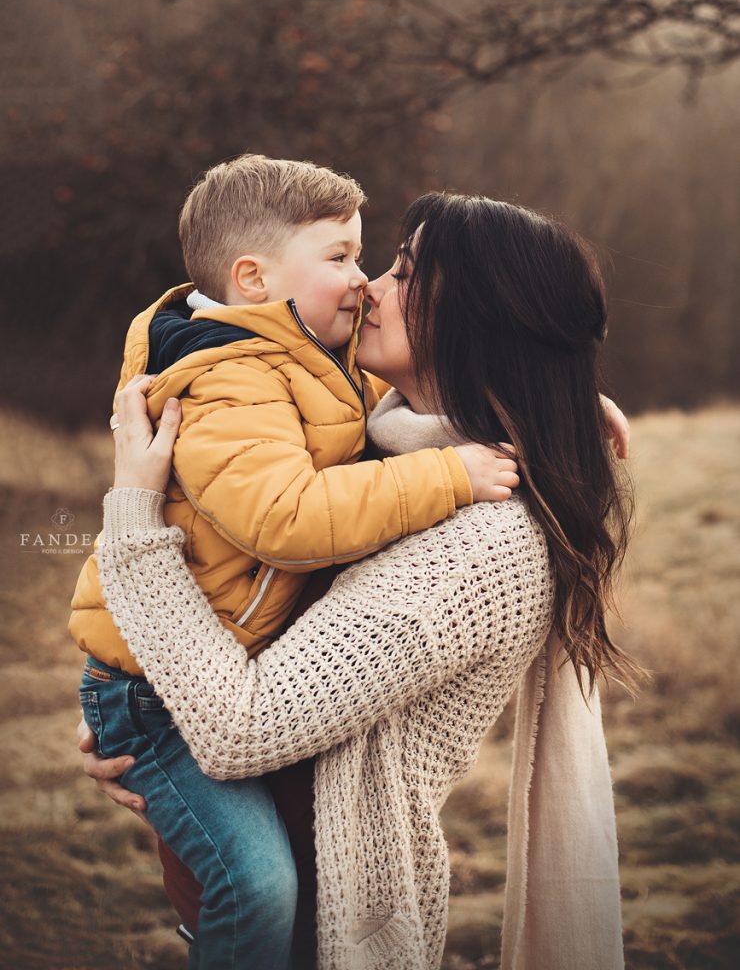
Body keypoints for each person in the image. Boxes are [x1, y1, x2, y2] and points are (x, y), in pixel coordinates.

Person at [81, 192, 641, 970]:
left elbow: (241, 725)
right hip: (247, 889)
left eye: (403, 273)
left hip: (320, 927)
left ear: (475, 317)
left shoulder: (482, 544)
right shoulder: (392, 454)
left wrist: (136, 514)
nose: (369, 286)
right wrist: (137, 712)